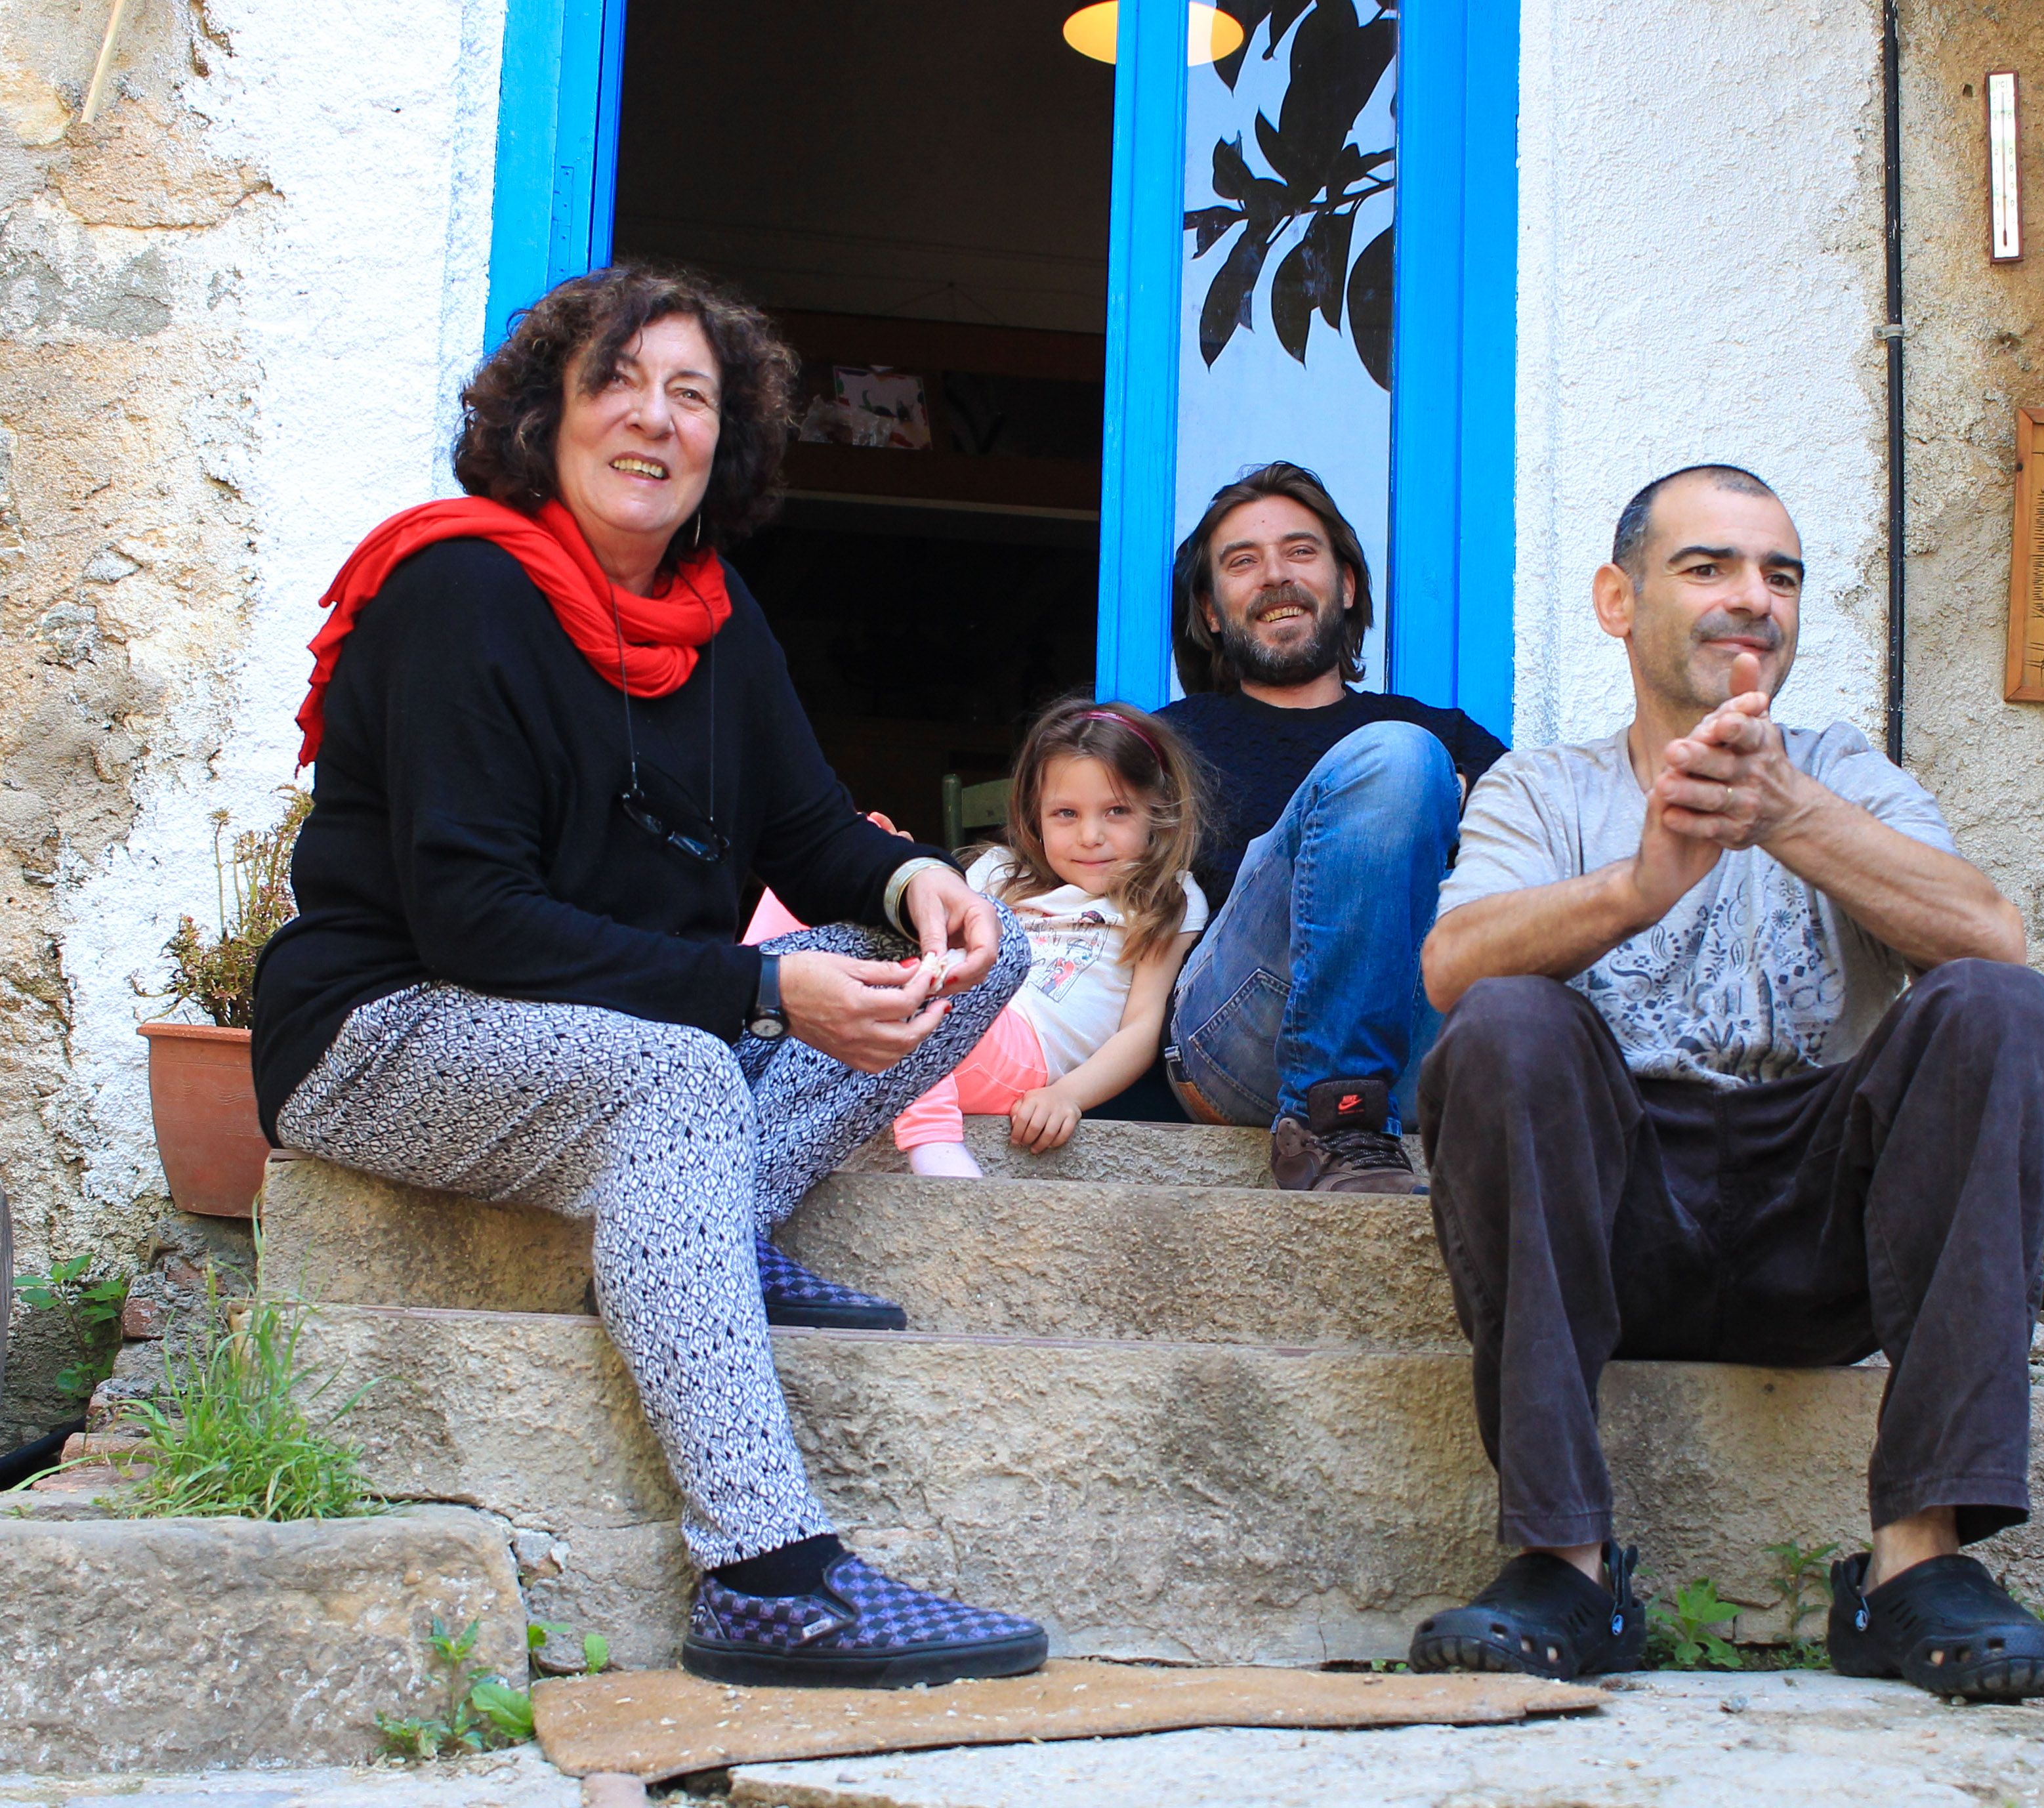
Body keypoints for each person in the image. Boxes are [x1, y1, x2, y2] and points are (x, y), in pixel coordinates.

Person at [251, 264, 1049, 1691]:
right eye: (615, 383)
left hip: (598, 1030)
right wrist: (759, 997)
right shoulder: (456, 589)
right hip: (385, 1030)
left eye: (693, 395)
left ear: (723, 443)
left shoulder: (711, 613)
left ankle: (701, 1233)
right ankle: (767, 1577)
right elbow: (474, 922)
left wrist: (920, 882)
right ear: (542, 422)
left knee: (982, 955)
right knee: (684, 1067)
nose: (654, 419)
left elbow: (807, 828)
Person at [1406, 464, 2044, 1700]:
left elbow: (1995, 939)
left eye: (1780, 574)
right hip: (1618, 1226)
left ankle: (1912, 1568)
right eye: (1708, 566)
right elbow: (1453, 966)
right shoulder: (1546, 789)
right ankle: (1565, 1564)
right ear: (1618, 600)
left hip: (1818, 1222)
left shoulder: (1845, 776)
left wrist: (1788, 814)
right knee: (1509, 1023)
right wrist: (1637, 887)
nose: (1752, 599)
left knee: (1998, 1007)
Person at [1158, 463, 1507, 1192]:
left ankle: (1354, 1111)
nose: (1276, 575)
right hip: (1238, 1042)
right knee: (1400, 756)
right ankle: (1334, 1120)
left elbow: (1529, 871)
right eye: (1243, 562)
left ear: (1346, 586)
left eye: (1301, 551)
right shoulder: (1165, 742)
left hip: (1414, 1047)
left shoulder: (1443, 730)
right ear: (1213, 611)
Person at [890, 699, 1209, 1177]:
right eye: (1065, 813)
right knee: (844, 888)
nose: (1090, 835)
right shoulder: (998, 873)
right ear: (1035, 817)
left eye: (1117, 811)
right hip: (937, 1026)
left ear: (1157, 813)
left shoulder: (1165, 896)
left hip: (1019, 1052)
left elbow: (1143, 1027)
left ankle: (931, 1138)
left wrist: (1068, 1095)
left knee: (908, 987)